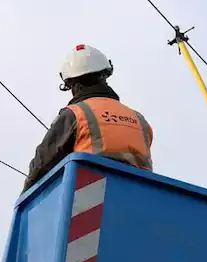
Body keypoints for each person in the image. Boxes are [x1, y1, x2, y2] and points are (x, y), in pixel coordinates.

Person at [22, 44, 153, 191]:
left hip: (92, 199)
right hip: (141, 200)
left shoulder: (75, 114)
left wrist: (23, 202)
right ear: (105, 75)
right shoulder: (139, 120)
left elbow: (42, 163)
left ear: (73, 85)